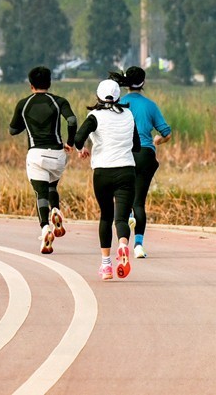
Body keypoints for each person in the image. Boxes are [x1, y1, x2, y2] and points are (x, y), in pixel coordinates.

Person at [9, 65, 78, 255]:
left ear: (31, 85)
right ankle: (55, 209)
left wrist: (27, 121)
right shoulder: (59, 101)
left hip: (36, 155)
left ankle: (45, 228)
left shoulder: (24, 104)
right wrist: (70, 142)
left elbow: (13, 130)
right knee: (52, 187)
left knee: (41, 194)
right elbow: (71, 121)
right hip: (57, 155)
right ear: (49, 83)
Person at [74, 78, 139, 280]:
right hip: (126, 170)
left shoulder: (94, 116)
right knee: (121, 218)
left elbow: (78, 138)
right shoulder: (129, 115)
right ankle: (122, 245)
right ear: (119, 96)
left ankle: (106, 265)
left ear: (99, 97)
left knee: (106, 216)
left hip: (102, 172)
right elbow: (136, 145)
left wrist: (82, 148)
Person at [116, 65, 171, 258]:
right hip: (146, 155)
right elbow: (166, 132)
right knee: (139, 201)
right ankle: (138, 245)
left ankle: (128, 219)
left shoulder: (119, 103)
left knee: (122, 197)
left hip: (124, 155)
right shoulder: (150, 105)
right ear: (143, 82)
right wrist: (158, 140)